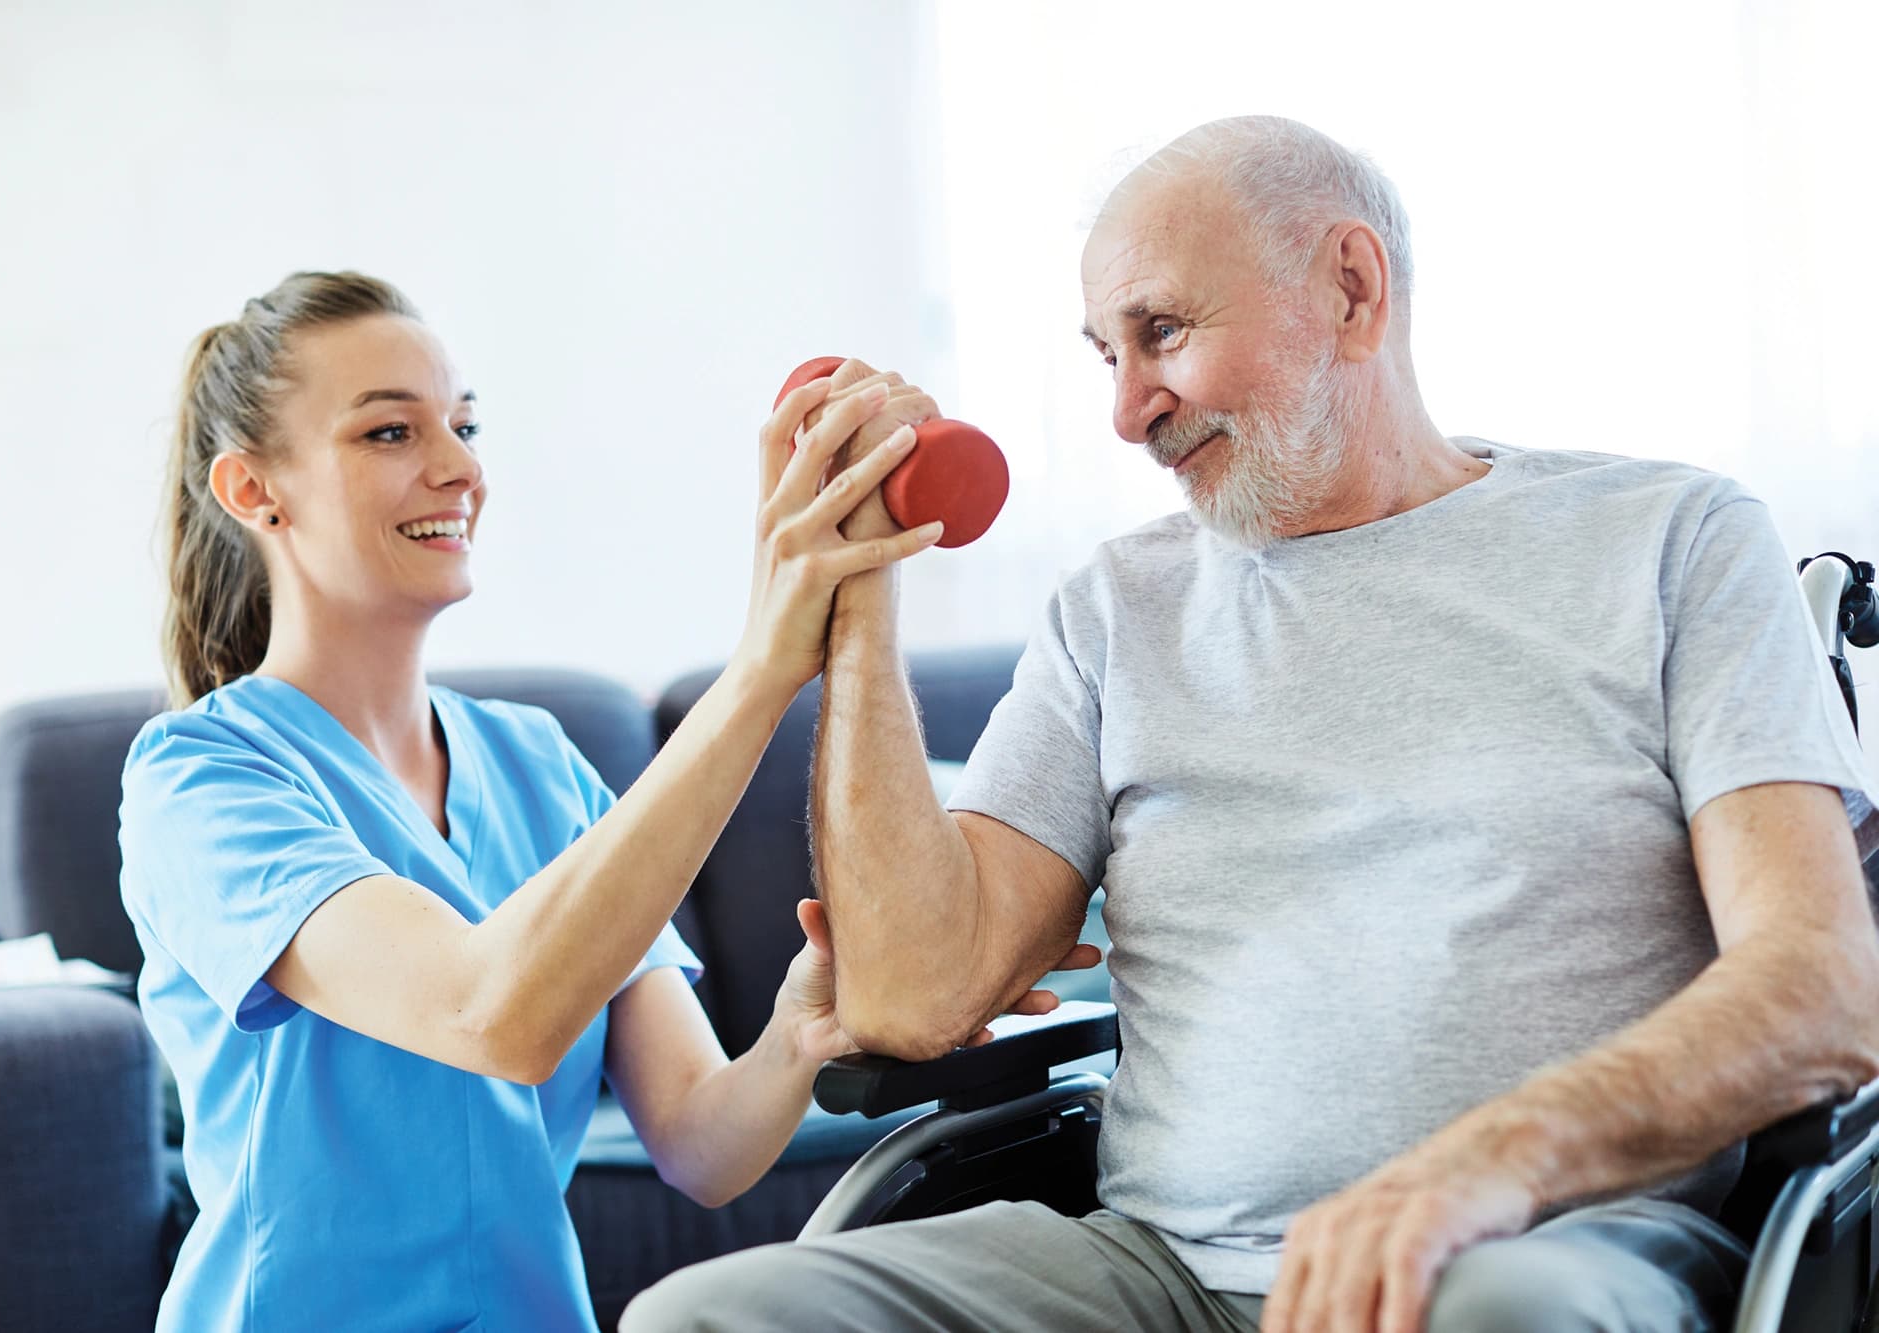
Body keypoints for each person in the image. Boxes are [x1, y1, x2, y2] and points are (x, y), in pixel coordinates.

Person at [623, 116, 1879, 1333]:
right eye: (1100, 355)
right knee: (708, 1315)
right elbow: (907, 995)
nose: (1127, 410)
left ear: (1349, 286)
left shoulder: (1670, 541)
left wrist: (1485, 1165)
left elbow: (1823, 985)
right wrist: (858, 595)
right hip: (1159, 1272)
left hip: (1540, 1247)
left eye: (1158, 331)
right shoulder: (1115, 609)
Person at [116, 271, 1058, 1331]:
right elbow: (490, 1014)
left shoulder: (533, 762)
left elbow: (703, 1145)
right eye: (389, 433)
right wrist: (760, 668)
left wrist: (806, 1025)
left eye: (464, 425)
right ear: (251, 491)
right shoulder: (200, 780)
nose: (458, 466)